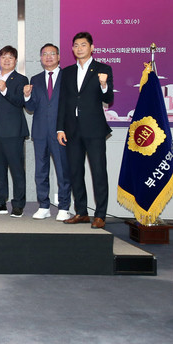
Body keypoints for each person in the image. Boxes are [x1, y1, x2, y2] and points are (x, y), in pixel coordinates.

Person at [57, 32, 113, 229]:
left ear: (92, 47)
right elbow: (62, 101)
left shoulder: (103, 69)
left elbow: (109, 99)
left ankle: (100, 215)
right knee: (75, 172)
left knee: (98, 172)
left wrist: (104, 84)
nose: (79, 48)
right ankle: (81, 212)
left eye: (83, 45)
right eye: (76, 45)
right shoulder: (67, 72)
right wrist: (60, 128)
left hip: (94, 129)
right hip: (72, 130)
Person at [24, 44, 72, 221]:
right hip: (40, 132)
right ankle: (43, 205)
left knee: (63, 170)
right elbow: (31, 107)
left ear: (58, 57)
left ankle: (64, 207)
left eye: (52, 53)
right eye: (45, 54)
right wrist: (27, 96)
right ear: (41, 58)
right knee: (41, 171)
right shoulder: (35, 79)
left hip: (61, 132)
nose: (49, 57)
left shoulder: (68, 76)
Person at [0, 45, 29, 217]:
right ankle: (0, 203)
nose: (7, 60)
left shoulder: (21, 79)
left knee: (17, 169)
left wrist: (5, 90)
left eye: (10, 57)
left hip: (13, 132)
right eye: (3, 57)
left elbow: (20, 102)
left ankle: (18, 204)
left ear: (15, 61)